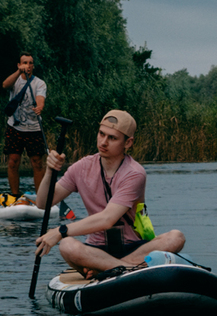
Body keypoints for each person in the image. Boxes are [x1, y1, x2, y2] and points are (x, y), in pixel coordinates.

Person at [34, 110, 186, 275]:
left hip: (134, 247)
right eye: (101, 134)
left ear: (128, 143)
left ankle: (111, 268)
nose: (103, 142)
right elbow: (43, 203)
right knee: (67, 246)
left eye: (112, 138)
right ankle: (126, 269)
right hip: (96, 249)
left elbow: (108, 219)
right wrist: (50, 171)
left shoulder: (135, 173)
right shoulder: (81, 167)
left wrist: (60, 231)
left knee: (176, 237)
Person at [0, 54, 47, 202]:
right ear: (19, 64)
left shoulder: (40, 83)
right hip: (15, 127)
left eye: (30, 63)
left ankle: (41, 197)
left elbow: (41, 99)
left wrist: (40, 107)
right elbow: (4, 85)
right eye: (25, 63)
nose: (28, 65)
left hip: (34, 129)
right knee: (13, 161)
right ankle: (15, 196)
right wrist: (18, 72)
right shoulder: (15, 81)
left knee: (37, 163)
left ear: (33, 66)